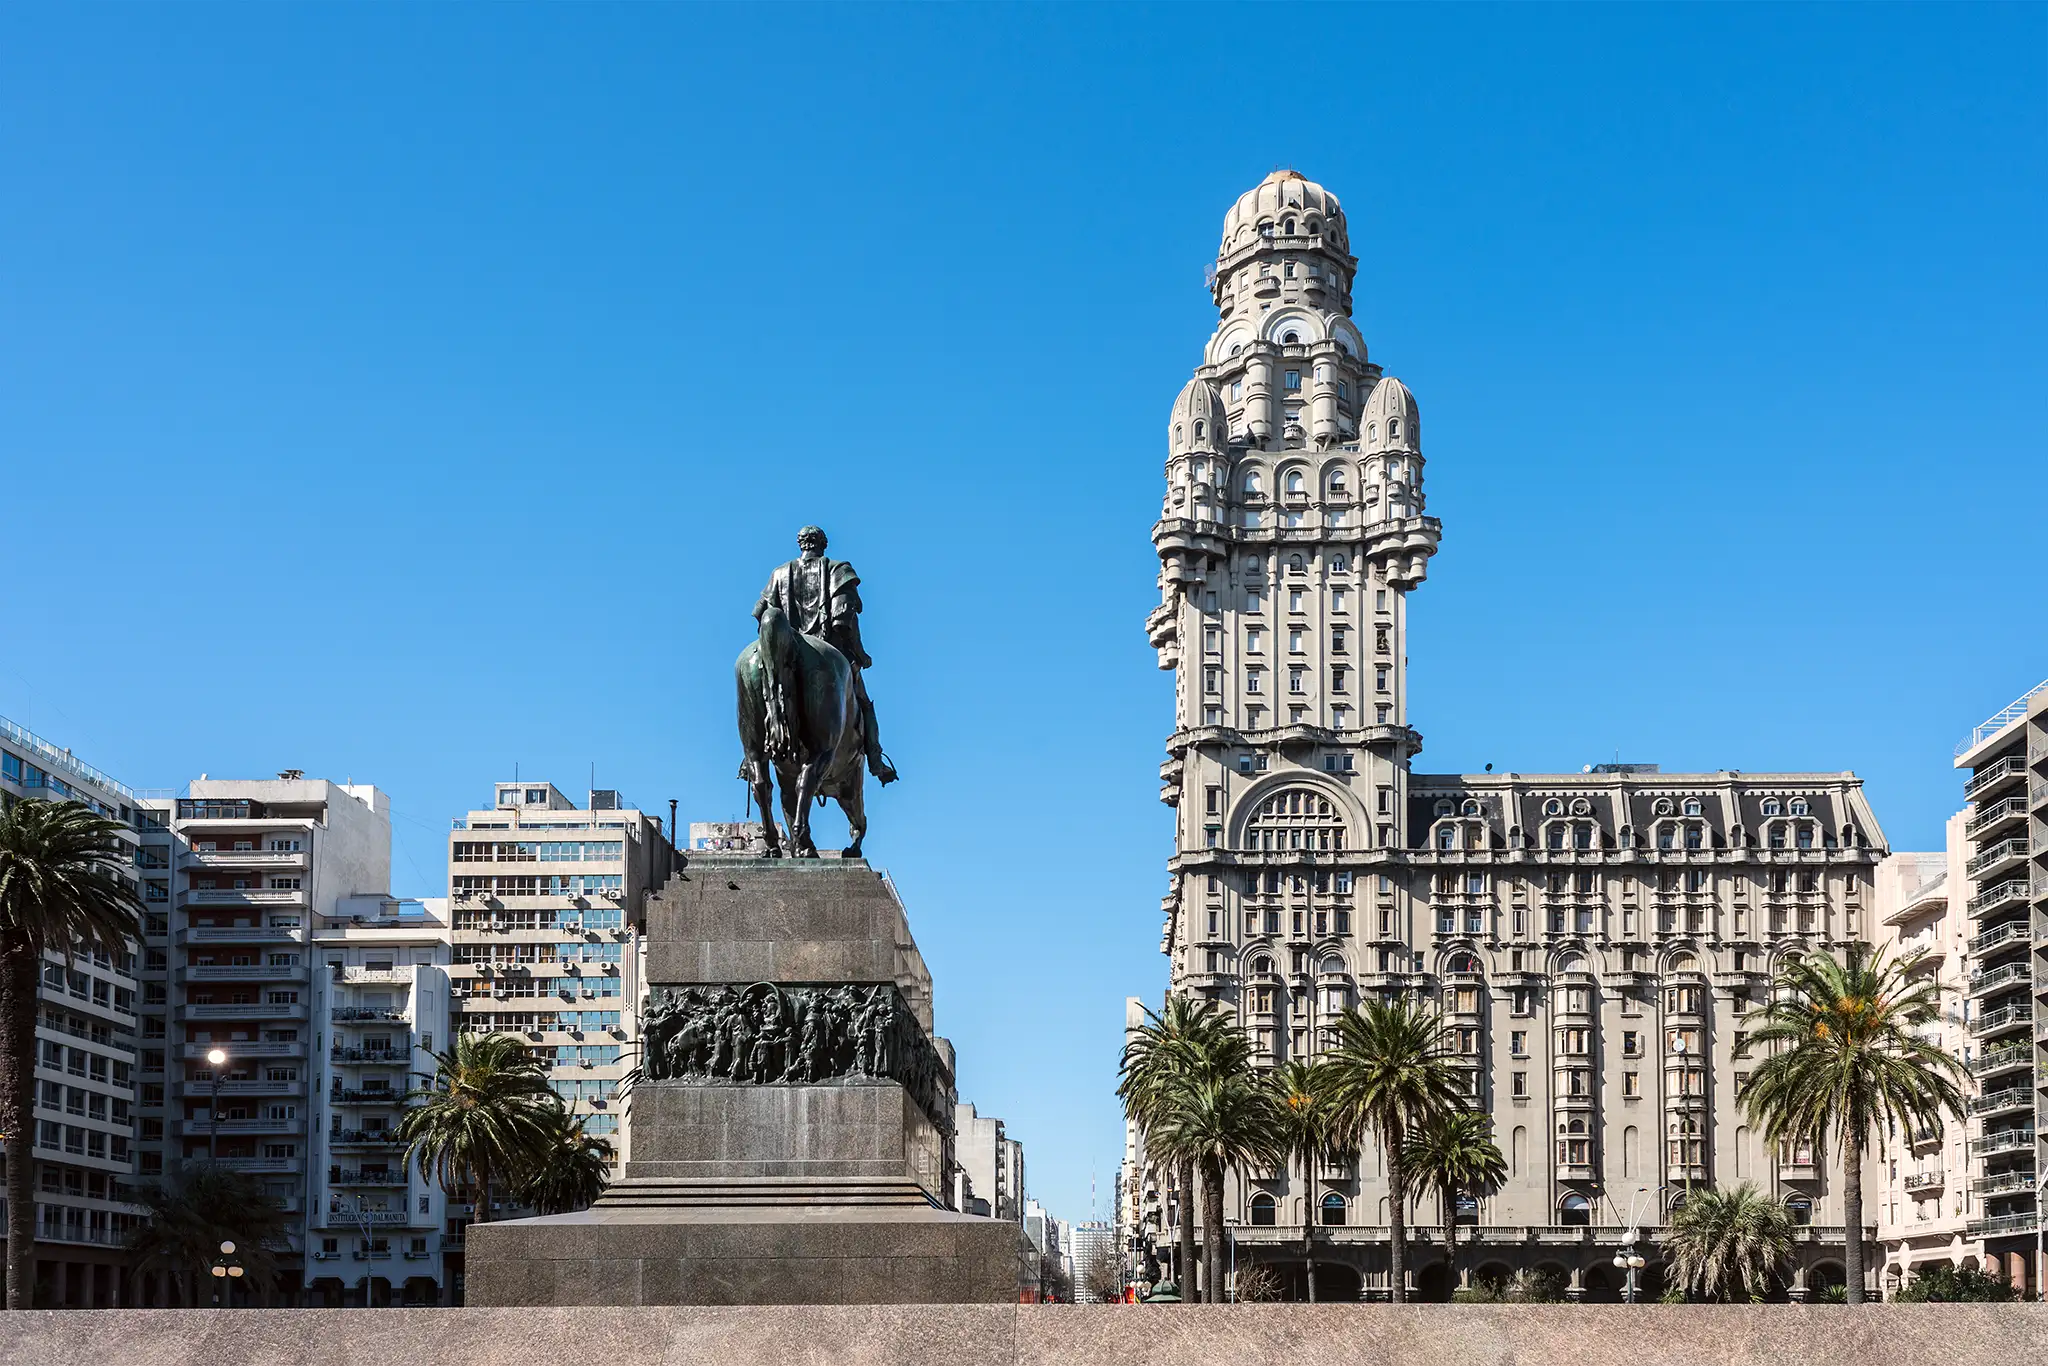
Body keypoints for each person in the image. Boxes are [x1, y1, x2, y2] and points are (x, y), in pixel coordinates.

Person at [755, 525, 899, 784]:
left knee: (762, 693)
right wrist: (860, 654)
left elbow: (761, 613)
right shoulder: (838, 569)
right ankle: (875, 761)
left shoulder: (778, 574)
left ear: (801, 544)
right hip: (827, 651)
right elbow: (844, 621)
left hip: (785, 653)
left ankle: (751, 755)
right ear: (823, 545)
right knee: (864, 704)